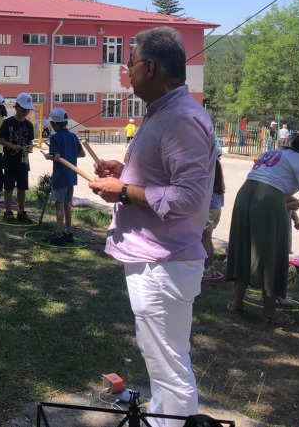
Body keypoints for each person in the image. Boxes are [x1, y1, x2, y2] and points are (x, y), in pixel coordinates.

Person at [88, 27, 215, 424]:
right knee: (157, 355)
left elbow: (191, 199)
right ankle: (162, 420)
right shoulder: (165, 113)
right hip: (156, 259)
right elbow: (164, 179)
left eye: (129, 65)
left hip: (165, 262)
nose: (127, 73)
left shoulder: (180, 118)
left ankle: (172, 423)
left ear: (150, 66)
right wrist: (124, 173)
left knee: (169, 365)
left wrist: (124, 189)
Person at [226, 128, 299, 324]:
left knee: (244, 248)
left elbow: (268, 179)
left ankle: (236, 303)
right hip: (268, 200)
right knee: (272, 252)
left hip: (245, 194)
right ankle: (269, 312)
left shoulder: (275, 152)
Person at [42, 108, 84, 245]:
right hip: (71, 176)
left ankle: (58, 234)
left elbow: (57, 157)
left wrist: (49, 157)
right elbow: (82, 153)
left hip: (60, 176)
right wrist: (69, 154)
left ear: (54, 124)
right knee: (67, 205)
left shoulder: (55, 138)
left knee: (59, 205)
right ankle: (68, 232)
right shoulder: (73, 136)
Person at [0, 93, 36, 224]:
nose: (25, 112)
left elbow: (30, 141)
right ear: (16, 107)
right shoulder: (8, 122)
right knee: (8, 187)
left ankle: (21, 212)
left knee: (22, 187)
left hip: (23, 161)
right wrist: (11, 146)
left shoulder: (29, 125)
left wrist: (30, 147)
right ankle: (8, 212)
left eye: (27, 110)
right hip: (9, 160)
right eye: (23, 109)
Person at [201, 151, 225, 280]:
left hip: (209, 210)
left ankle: (205, 269)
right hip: (216, 209)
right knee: (208, 238)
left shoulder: (208, 172)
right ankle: (210, 267)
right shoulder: (217, 170)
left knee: (203, 239)